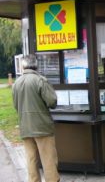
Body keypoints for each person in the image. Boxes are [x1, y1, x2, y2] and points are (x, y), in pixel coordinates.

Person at [12, 54, 60, 182]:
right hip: (42, 127)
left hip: (25, 127)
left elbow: (16, 106)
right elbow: (52, 102)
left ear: (23, 66)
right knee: (48, 160)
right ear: (36, 65)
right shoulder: (40, 80)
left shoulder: (16, 83)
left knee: (31, 160)